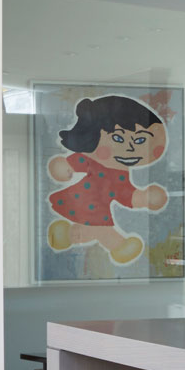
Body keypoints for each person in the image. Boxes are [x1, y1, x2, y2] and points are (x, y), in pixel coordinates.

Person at [46, 94, 169, 266]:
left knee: (100, 230)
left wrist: (144, 198)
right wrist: (61, 167)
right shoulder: (92, 163)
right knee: (102, 230)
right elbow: (68, 165)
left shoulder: (120, 176)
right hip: (80, 202)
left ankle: (69, 234)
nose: (130, 148)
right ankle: (116, 245)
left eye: (141, 140)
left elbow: (127, 195)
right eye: (118, 138)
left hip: (97, 211)